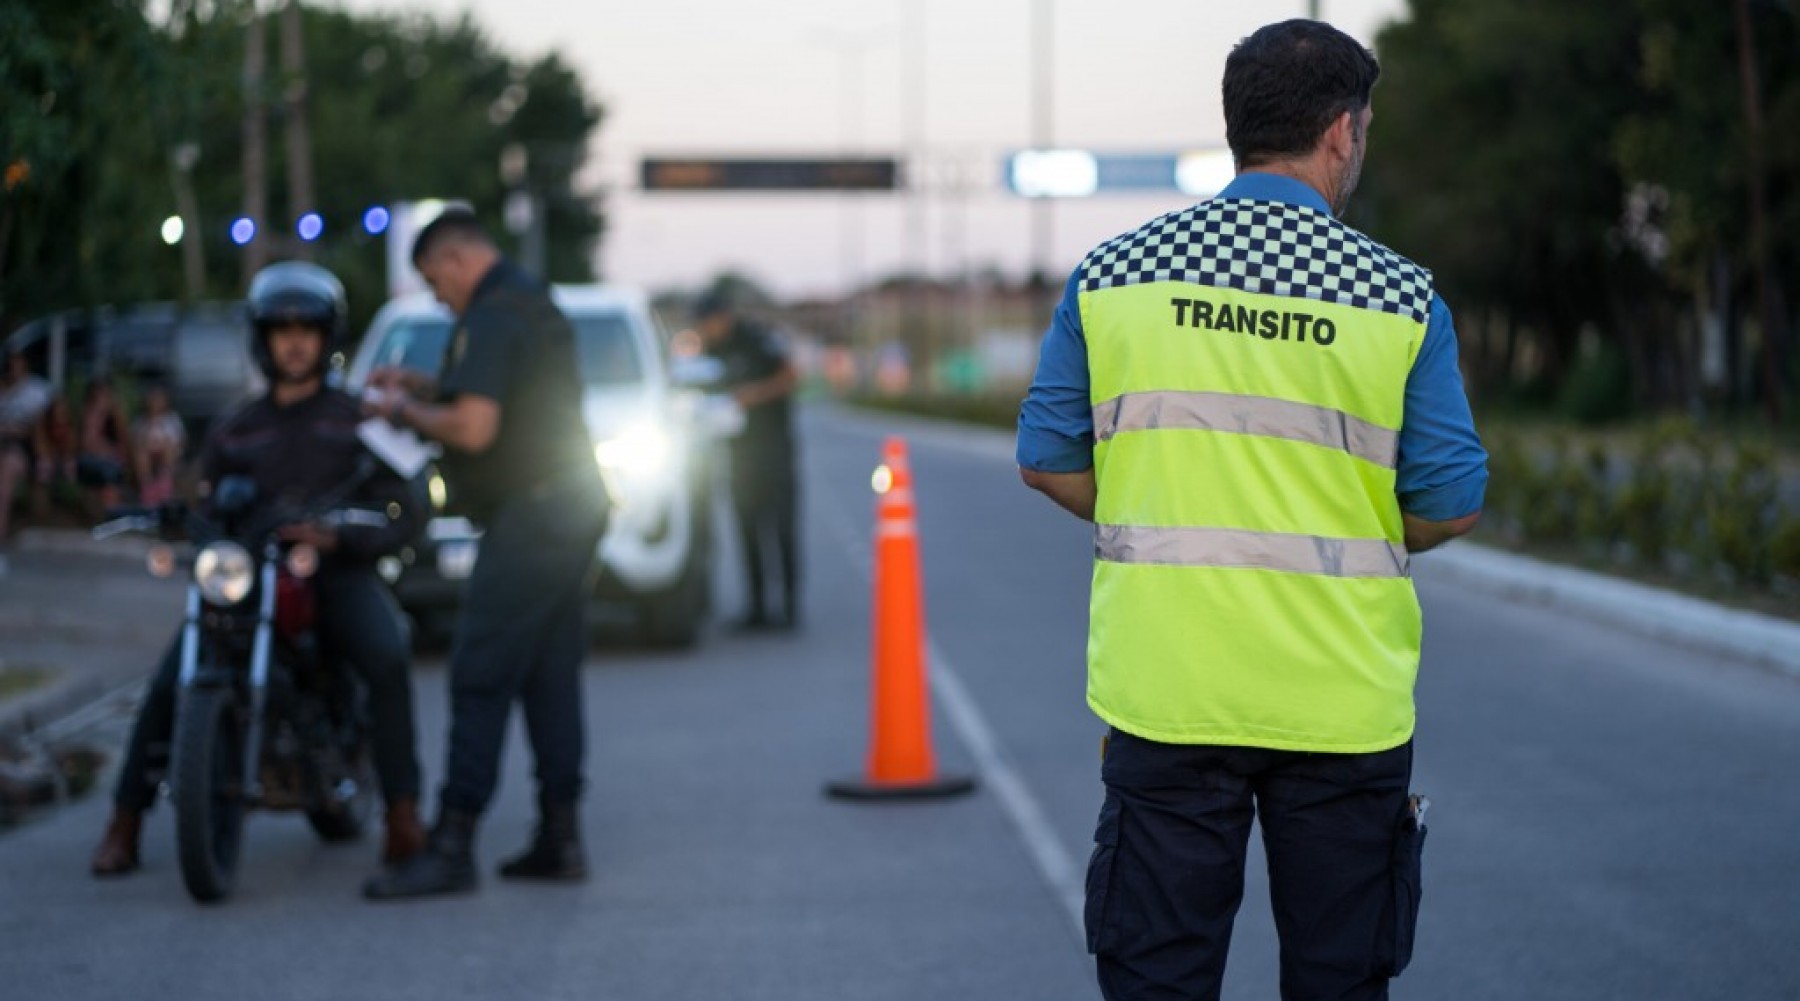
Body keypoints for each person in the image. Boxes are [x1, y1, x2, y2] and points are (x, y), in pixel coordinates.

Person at [1015, 20, 1487, 1001]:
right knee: (1338, 978)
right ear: (1344, 133)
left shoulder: (1117, 276)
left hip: (1170, 690)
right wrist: (1343, 521)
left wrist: (1165, 500)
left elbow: (1046, 458)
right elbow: (1450, 499)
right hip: (1341, 701)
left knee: (1157, 976)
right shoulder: (1400, 301)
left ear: (1237, 127)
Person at [90, 262, 427, 878]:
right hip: (246, 578)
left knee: (386, 652)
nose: (294, 341)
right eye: (281, 329)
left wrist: (341, 534)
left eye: (306, 329)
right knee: (170, 678)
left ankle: (403, 813)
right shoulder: (234, 427)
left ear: (327, 338)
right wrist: (177, 516)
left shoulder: (360, 419)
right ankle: (125, 822)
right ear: (262, 338)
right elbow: (205, 499)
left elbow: (410, 504)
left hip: (330, 572)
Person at [360, 209, 607, 900]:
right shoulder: (528, 298)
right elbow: (502, 398)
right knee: (550, 671)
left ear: (457, 258)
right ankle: (561, 836)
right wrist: (425, 386)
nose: (438, 295)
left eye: (436, 280)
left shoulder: (494, 314)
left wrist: (400, 412)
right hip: (570, 505)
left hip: (532, 515)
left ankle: (453, 843)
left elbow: (475, 426)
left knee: (478, 670)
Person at [692, 290, 800, 631]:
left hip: (773, 450)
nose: (706, 329)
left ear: (723, 316)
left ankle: (789, 608)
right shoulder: (710, 350)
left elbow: (790, 376)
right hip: (738, 453)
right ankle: (756, 609)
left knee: (781, 529)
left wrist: (753, 395)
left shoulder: (757, 340)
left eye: (709, 322)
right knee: (746, 530)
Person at [0, 350, 52, 546]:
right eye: (11, 366)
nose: (14, 370)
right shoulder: (3, 391)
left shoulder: (37, 391)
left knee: (4, 477)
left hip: (23, 450)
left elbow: (41, 428)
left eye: (18, 365)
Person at [76, 380, 131, 517]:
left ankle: (113, 513)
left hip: (112, 460)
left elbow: (124, 442)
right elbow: (86, 444)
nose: (102, 400)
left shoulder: (114, 417)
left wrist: (115, 414)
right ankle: (111, 514)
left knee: (112, 468)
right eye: (98, 396)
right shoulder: (87, 415)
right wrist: (96, 414)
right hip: (89, 459)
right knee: (108, 470)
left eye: (106, 396)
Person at [132, 383, 185, 507]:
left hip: (166, 454)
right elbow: (136, 441)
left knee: (168, 449)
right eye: (153, 399)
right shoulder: (141, 421)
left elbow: (179, 441)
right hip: (148, 455)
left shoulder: (172, 419)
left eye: (159, 399)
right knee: (141, 454)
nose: (155, 403)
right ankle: (147, 487)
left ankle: (165, 484)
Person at [30, 396, 79, 518]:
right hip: (47, 457)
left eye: (63, 411)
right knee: (44, 467)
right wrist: (49, 456)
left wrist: (64, 456)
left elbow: (71, 448)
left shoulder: (70, 426)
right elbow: (40, 446)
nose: (59, 414)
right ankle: (41, 512)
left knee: (70, 467)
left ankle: (72, 506)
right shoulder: (42, 424)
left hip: (63, 457)